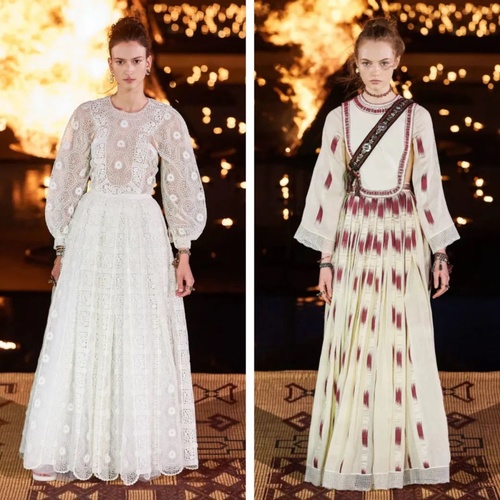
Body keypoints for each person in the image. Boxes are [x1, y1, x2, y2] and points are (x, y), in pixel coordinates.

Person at [19, 16, 206, 485]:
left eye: (135, 61)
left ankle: (132, 444)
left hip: (143, 231)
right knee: (85, 327)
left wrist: (183, 252)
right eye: (120, 61)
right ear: (110, 63)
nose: (128, 70)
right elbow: (65, 180)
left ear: (149, 62)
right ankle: (71, 444)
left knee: (138, 328)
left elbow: (181, 187)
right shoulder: (87, 115)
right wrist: (61, 246)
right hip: (93, 228)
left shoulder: (166, 120)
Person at [294, 18, 459, 491]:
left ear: (397, 63)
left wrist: (440, 254)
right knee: (356, 339)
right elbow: (328, 191)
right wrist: (325, 260)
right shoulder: (339, 118)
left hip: (404, 237)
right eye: (366, 63)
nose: (374, 72)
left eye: (383, 63)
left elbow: (428, 187)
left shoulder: (416, 117)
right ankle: (354, 451)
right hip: (355, 236)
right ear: (355, 63)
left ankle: (404, 452)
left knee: (403, 338)